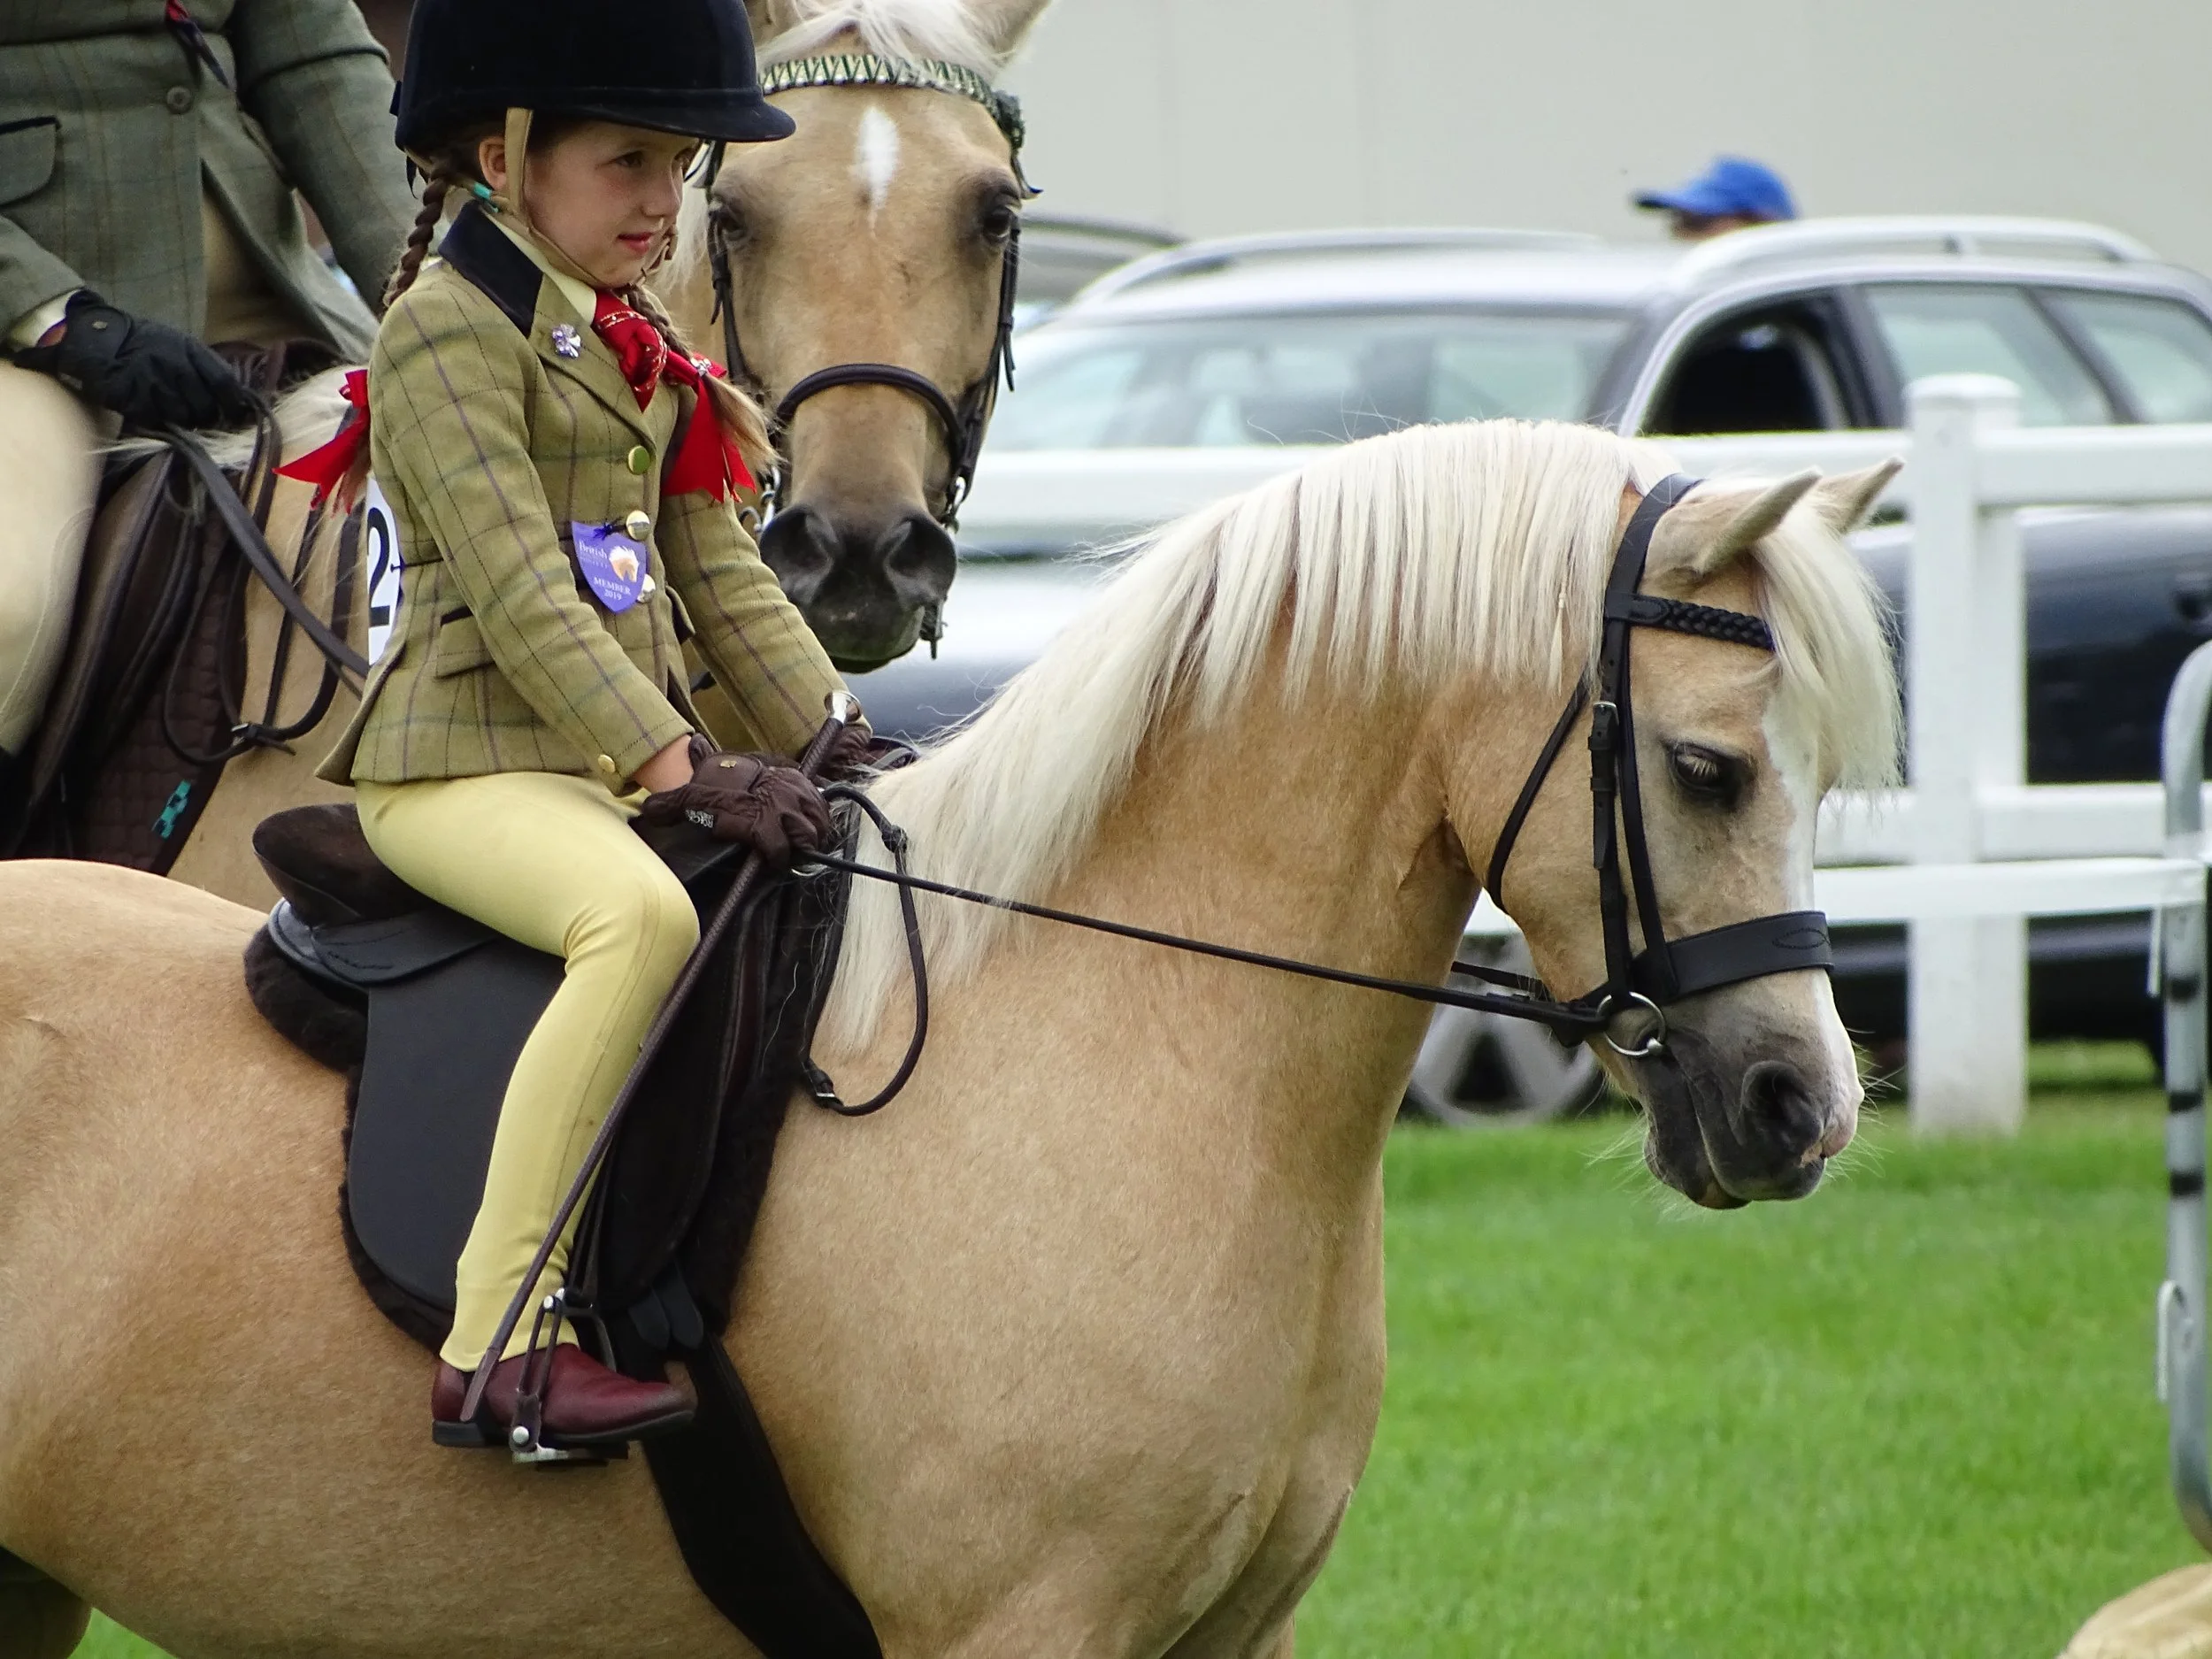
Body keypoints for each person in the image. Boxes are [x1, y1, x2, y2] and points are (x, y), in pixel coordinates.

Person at [305, 0, 860, 1450]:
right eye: (627, 163)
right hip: (457, 772)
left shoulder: (627, 342)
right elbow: (522, 590)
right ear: (502, 156)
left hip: (586, 773)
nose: (658, 202)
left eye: (675, 170)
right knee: (639, 922)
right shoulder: (441, 337)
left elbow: (718, 570)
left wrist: (835, 739)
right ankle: (500, 1342)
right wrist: (684, 767)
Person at [0, 1, 419, 790]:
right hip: (41, 330)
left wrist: (429, 288)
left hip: (279, 285)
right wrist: (57, 319)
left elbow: (315, 59)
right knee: (8, 607)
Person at [1634, 156, 1799, 242]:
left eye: (1696, 222)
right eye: (1676, 223)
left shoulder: (1803, 302)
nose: (1680, 234)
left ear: (1760, 227)